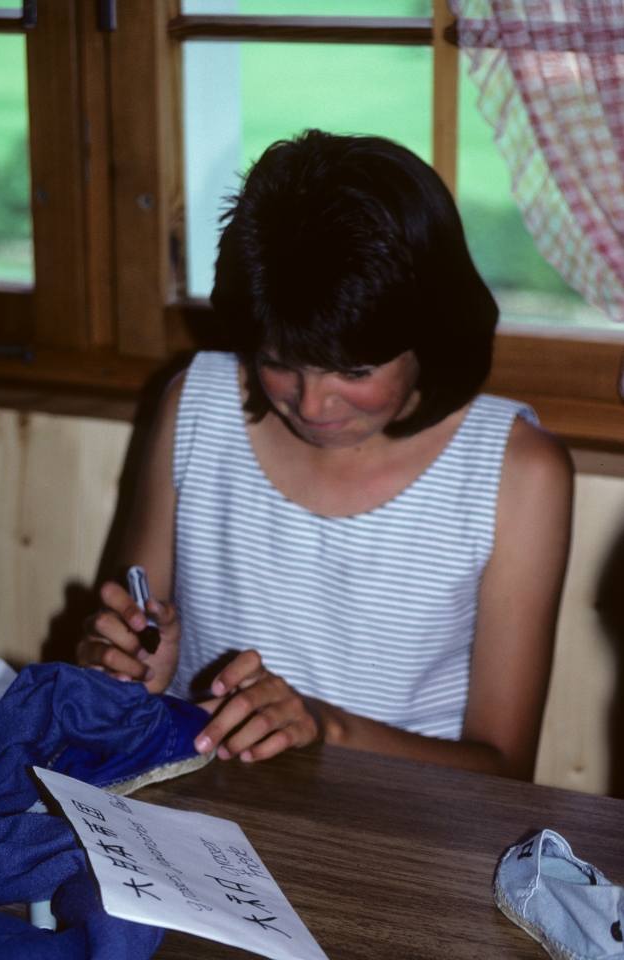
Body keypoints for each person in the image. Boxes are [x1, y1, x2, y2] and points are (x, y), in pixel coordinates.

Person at [78, 130, 573, 781]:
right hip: (197, 805)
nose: (312, 404)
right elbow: (128, 645)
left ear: (432, 334)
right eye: (279, 362)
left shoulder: (515, 472)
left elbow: (502, 770)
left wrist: (326, 729)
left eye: (354, 370)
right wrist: (125, 668)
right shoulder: (195, 406)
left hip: (400, 825)